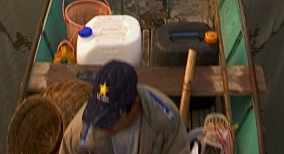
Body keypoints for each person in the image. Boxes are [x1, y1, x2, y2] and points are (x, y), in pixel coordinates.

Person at [59, 59, 189, 154]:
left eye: (111, 118)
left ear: (134, 106)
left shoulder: (167, 120)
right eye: (98, 112)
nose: (102, 125)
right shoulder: (78, 135)